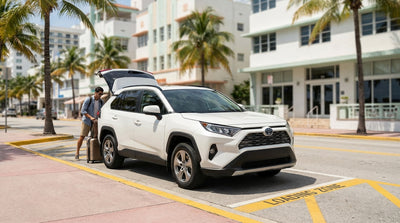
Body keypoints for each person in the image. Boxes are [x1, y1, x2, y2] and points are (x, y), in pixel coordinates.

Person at [75, 87, 104, 160]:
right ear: (95, 92)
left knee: (94, 138)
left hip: (95, 122)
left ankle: (92, 155)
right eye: (99, 94)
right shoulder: (89, 99)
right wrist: (90, 117)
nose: (100, 95)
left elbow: (100, 111)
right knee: (82, 137)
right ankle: (77, 152)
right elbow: (83, 111)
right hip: (87, 121)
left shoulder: (101, 101)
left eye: (101, 94)